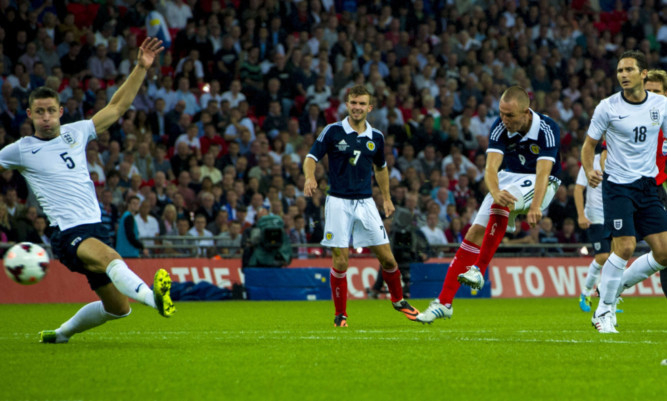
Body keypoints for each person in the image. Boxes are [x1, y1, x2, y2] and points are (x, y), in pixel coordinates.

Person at [0, 38, 175, 345]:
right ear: (29, 114)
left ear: (60, 111)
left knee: (119, 309)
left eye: (50, 111)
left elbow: (118, 106)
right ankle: (154, 298)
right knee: (110, 257)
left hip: (95, 228)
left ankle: (61, 335)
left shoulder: (76, 132)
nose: (45, 117)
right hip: (67, 234)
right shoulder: (20, 150)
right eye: (39, 112)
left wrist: (140, 67)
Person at [416, 86, 562, 323]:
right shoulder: (499, 126)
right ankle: (444, 303)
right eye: (501, 113)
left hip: (541, 181)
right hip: (507, 177)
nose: (504, 120)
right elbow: (490, 168)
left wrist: (536, 206)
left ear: (526, 112)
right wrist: (494, 191)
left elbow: (544, 172)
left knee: (502, 200)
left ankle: (478, 270)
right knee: (474, 232)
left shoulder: (547, 128)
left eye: (510, 115)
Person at [303, 84, 420, 327]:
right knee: (341, 261)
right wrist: (310, 177)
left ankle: (398, 300)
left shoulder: (376, 137)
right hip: (337, 202)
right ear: (347, 105)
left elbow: (381, 168)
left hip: (366, 203)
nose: (357, 107)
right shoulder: (333, 131)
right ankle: (340, 315)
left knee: (388, 259)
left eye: (361, 103)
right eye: (353, 103)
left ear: (370, 107)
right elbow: (311, 157)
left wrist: (386, 198)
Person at [582, 51, 667, 334]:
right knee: (625, 247)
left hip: (648, 186)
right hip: (618, 186)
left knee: (665, 251)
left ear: (643, 74)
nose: (623, 74)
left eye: (629, 69)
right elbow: (588, 146)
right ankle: (604, 311)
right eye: (620, 70)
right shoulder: (607, 107)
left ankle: (616, 288)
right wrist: (590, 170)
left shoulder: (661, 104)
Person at [574, 148, 610, 312]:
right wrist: (581, 215)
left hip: (614, 213)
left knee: (615, 258)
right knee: (603, 256)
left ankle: (608, 300)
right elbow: (578, 189)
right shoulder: (590, 161)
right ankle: (586, 292)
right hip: (595, 216)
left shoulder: (621, 158)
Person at [644, 69, 667, 300]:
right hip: (635, 190)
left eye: (656, 92)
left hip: (659, 190)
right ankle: (610, 294)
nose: (651, 96)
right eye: (647, 91)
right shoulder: (632, 119)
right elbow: (605, 151)